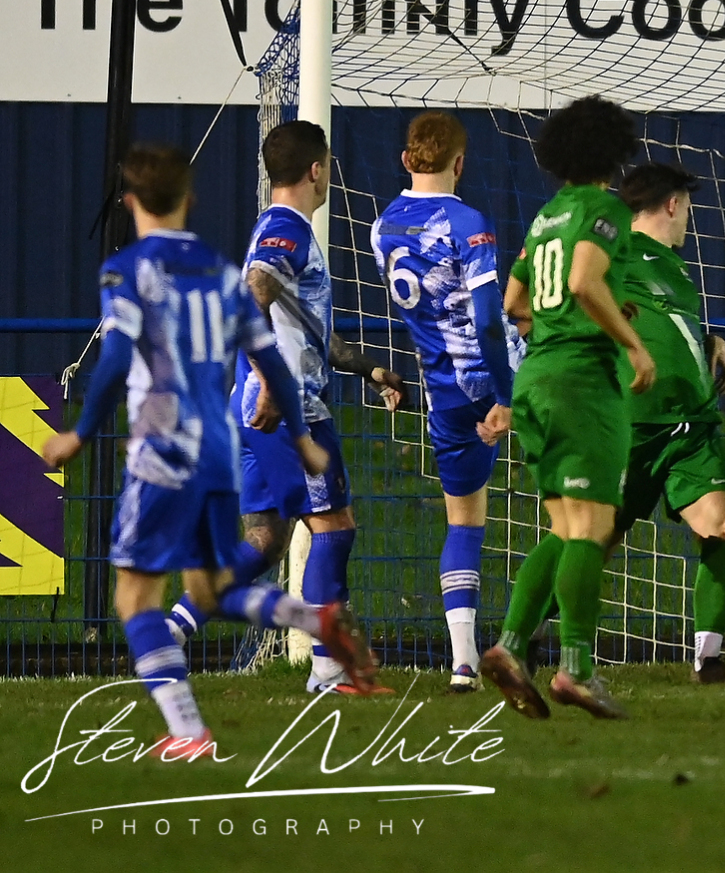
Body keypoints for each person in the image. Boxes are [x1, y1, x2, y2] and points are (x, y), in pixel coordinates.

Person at [43, 144, 378, 758]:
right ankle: (316, 620)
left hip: (162, 450)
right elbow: (269, 355)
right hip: (218, 447)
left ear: (129, 202)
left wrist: (79, 433)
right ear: (190, 199)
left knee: (134, 597)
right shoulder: (222, 272)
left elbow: (115, 358)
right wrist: (301, 437)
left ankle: (188, 731)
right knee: (214, 585)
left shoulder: (128, 269)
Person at [165, 121, 407, 695]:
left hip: (253, 405)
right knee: (334, 528)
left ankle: (173, 626)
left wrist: (369, 369)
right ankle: (327, 669)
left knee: (266, 539)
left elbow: (306, 331)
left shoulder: (278, 228)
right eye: (329, 167)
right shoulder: (286, 229)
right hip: (287, 409)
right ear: (316, 170)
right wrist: (273, 386)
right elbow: (251, 300)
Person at [503, 163, 725, 684]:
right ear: (673, 204)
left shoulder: (674, 266)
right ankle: (521, 637)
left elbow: (661, 320)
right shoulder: (612, 246)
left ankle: (709, 661)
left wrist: (709, 341)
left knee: (724, 527)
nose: (689, 218)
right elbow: (537, 302)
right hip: (628, 425)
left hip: (691, 427)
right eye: (688, 206)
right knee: (587, 540)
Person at [478, 95, 655, 721]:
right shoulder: (605, 208)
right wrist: (631, 343)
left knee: (564, 526)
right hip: (581, 383)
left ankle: (509, 645)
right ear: (613, 149)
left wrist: (567, 320)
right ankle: (576, 669)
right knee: (593, 528)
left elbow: (514, 302)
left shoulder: (546, 215)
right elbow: (582, 281)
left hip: (535, 380)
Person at [371, 112, 522, 693]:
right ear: (460, 163)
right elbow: (486, 321)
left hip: (443, 393)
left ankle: (463, 662)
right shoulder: (467, 222)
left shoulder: (382, 227)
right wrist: (506, 394)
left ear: (406, 160)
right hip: (493, 380)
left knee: (463, 521)